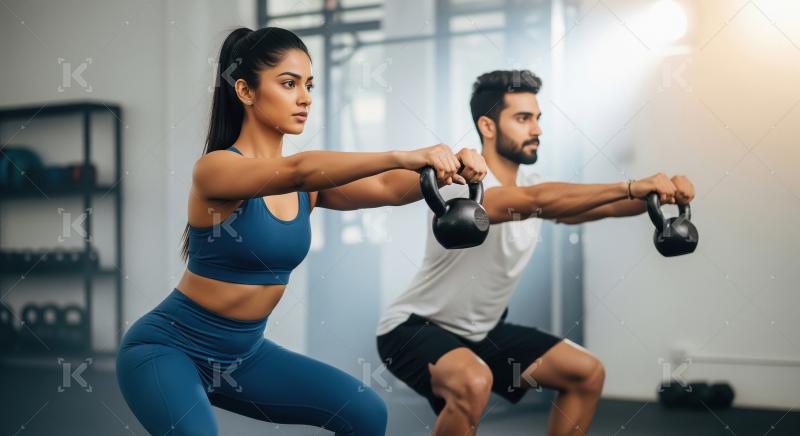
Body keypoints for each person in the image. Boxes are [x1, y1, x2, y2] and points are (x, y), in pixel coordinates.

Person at [115, 26, 487, 436]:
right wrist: (402, 154)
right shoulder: (216, 170)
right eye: (289, 84)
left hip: (244, 355)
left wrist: (448, 167)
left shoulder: (307, 189)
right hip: (169, 349)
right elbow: (298, 169)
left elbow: (386, 188)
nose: (305, 97)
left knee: (365, 413)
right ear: (245, 91)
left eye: (309, 85)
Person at [376, 69, 696, 436]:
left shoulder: (536, 186)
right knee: (473, 384)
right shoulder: (461, 187)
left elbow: (601, 207)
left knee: (586, 373)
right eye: (523, 118)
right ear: (488, 126)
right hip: (413, 328)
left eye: (538, 118)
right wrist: (630, 185)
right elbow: (532, 202)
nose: (537, 130)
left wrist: (661, 194)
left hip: (483, 331)